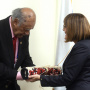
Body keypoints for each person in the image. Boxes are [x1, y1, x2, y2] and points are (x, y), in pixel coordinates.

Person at [27, 13, 90, 90]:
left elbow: (67, 78)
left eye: (65, 26)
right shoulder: (86, 44)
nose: (63, 30)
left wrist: (40, 78)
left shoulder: (81, 47)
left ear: (73, 28)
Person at [0, 7, 36, 90]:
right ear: (16, 22)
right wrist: (18, 75)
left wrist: (34, 71)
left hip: (11, 86)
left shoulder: (24, 33)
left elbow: (25, 56)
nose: (27, 33)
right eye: (26, 29)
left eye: (30, 30)